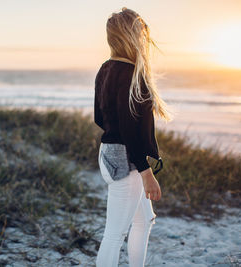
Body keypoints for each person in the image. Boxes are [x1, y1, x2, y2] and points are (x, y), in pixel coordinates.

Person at [94, 7, 174, 267]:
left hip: (107, 156)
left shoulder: (105, 69)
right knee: (114, 234)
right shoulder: (132, 75)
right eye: (140, 33)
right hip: (126, 164)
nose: (143, 38)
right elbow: (131, 132)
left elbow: (99, 118)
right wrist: (146, 172)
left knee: (144, 219)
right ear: (131, 36)